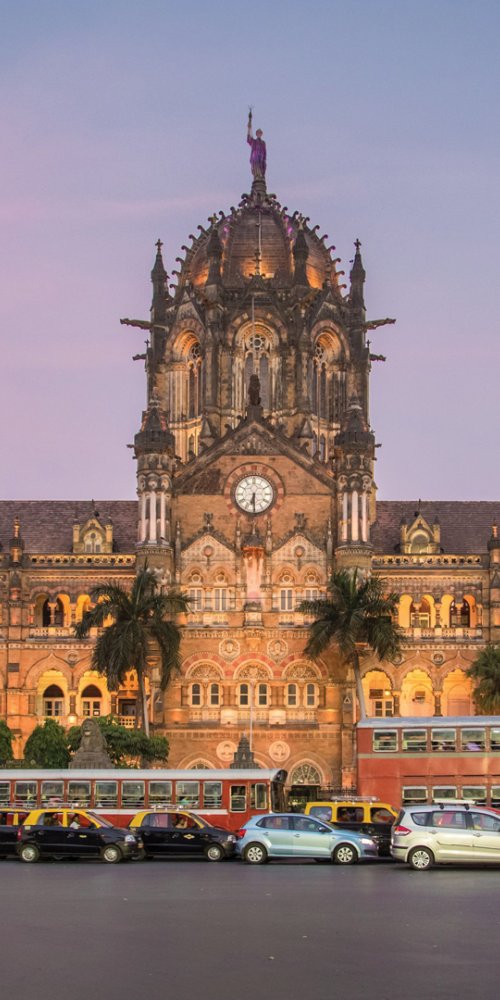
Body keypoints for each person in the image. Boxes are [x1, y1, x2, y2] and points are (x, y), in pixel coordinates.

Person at [247, 110, 266, 181]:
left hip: (261, 159)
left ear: (261, 134)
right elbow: (249, 139)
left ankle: (261, 176)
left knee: (261, 168)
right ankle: (257, 176)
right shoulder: (254, 142)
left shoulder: (263, 143)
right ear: (256, 134)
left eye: (260, 133)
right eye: (258, 133)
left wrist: (264, 159)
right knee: (256, 168)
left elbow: (264, 152)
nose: (259, 134)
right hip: (255, 158)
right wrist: (249, 127)